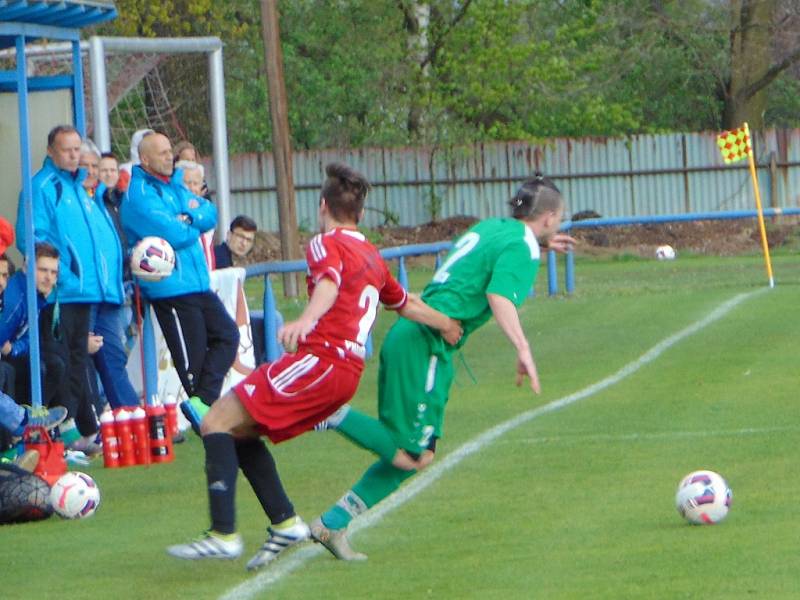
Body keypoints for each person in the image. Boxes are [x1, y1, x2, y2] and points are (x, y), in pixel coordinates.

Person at [165, 162, 462, 570]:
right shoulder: (372, 256)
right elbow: (404, 302)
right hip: (345, 373)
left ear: (322, 205)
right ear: (360, 213)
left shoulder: (326, 244)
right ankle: (285, 522)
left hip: (321, 361)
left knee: (215, 421)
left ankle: (223, 533)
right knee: (235, 430)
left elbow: (329, 283)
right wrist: (446, 323)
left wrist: (306, 320)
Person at [309, 174, 577, 561]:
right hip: (427, 344)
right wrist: (523, 347)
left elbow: (487, 261)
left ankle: (332, 524)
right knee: (411, 453)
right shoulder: (523, 247)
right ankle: (333, 414)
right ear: (550, 217)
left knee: (419, 454)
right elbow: (499, 295)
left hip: (421, 338)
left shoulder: (494, 228)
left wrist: (543, 242)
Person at [121, 132, 239, 431]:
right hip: (170, 290)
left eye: (169, 151)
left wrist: (187, 218)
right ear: (145, 159)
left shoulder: (174, 187)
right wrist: (189, 221)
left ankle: (202, 403)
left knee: (228, 334)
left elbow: (209, 213)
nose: (168, 157)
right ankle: (208, 419)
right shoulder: (139, 196)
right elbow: (174, 234)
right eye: (161, 153)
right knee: (193, 360)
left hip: (197, 283)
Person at [15, 125, 123, 450]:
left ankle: (75, 431)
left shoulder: (81, 190)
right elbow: (31, 237)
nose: (74, 155)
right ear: (51, 151)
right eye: (67, 149)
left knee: (78, 361)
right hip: (60, 294)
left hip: (86, 292)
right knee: (60, 362)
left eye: (77, 149)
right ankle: (60, 434)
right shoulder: (43, 187)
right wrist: (62, 276)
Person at [78, 142, 139, 411]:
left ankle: (132, 416)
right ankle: (84, 427)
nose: (92, 171)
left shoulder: (103, 198)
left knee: (114, 357)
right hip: (81, 294)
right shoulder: (68, 198)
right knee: (79, 358)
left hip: (109, 292)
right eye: (85, 166)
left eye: (95, 166)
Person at [175, 159, 215, 269]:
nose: (192, 188)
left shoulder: (207, 208)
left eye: (195, 183)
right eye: (187, 183)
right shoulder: (170, 209)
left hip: (208, 275)